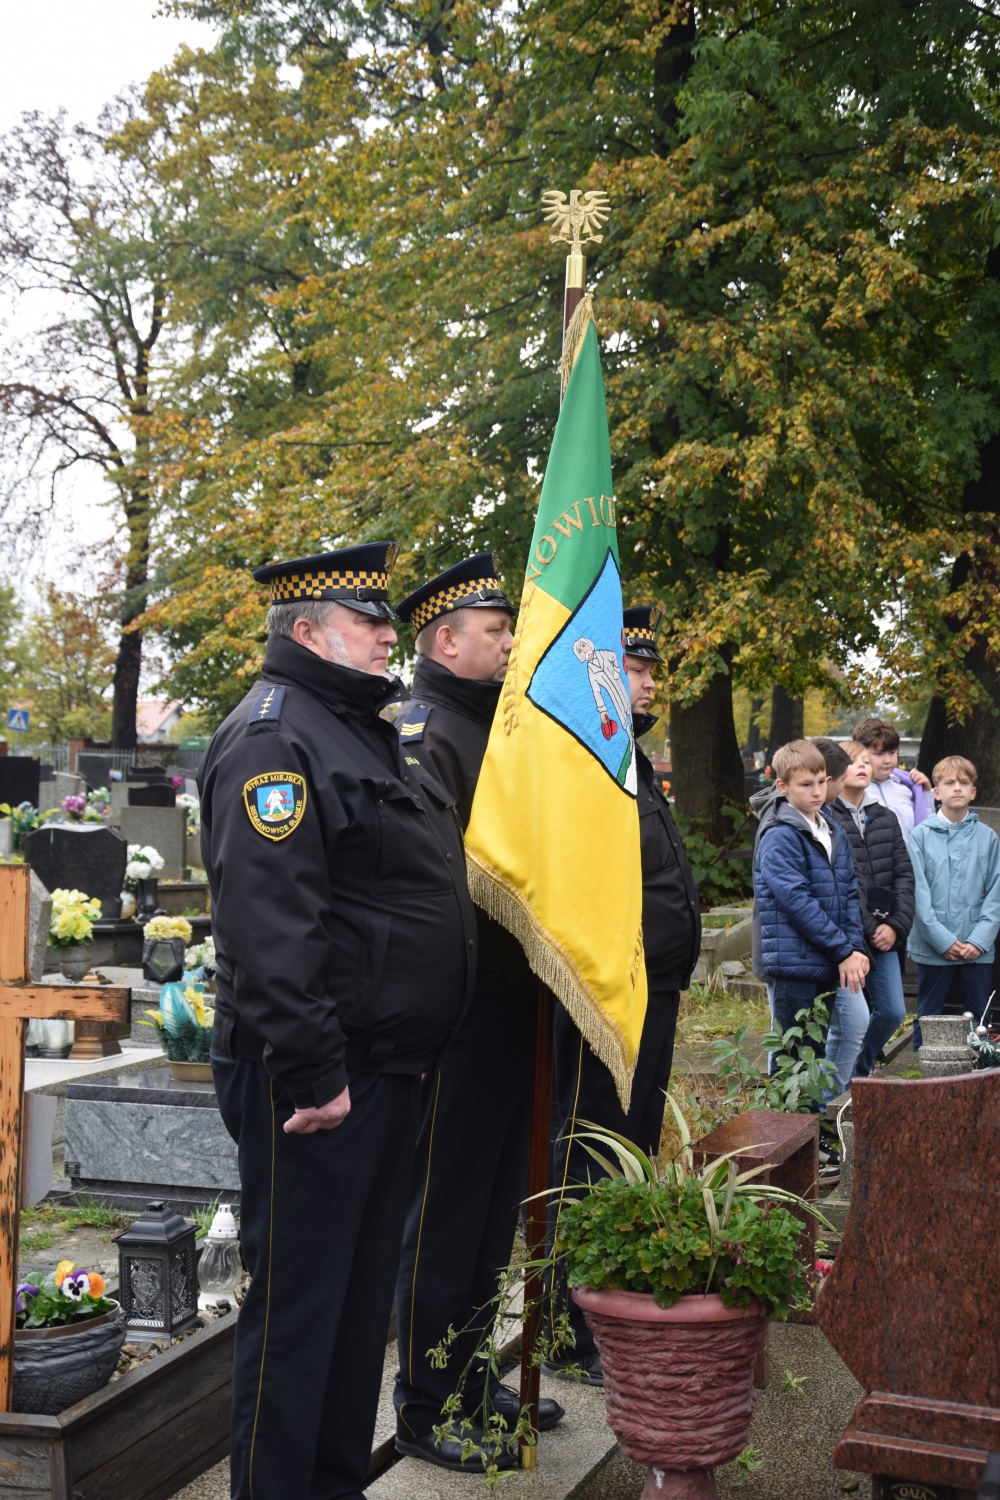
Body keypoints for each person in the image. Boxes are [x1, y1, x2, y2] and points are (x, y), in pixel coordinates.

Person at [198, 543, 477, 1500]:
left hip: (387, 1066)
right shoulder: (276, 738)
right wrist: (318, 1075)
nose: (391, 635)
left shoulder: (360, 726)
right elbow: (272, 930)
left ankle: (330, 1484)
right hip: (316, 1079)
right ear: (308, 631)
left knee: (360, 1312)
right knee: (301, 1314)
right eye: (370, 622)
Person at [389, 555, 565, 1472]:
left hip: (509, 999)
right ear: (446, 641)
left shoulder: (490, 725)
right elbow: (436, 885)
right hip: (462, 1009)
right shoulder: (425, 734)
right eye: (497, 633)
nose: (510, 645)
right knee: (450, 1210)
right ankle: (424, 1400)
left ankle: (467, 1371)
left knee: (497, 1206)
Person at [544, 605, 701, 1386]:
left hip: (654, 992)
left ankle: (603, 1310)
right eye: (632, 670)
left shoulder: (629, 758)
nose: (645, 684)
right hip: (611, 997)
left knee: (629, 1154)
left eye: (645, 672)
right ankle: (569, 1329)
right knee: (591, 1158)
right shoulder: (587, 760)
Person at [754, 740, 868, 1068]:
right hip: (795, 961)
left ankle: (815, 1120)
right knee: (794, 1057)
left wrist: (855, 948)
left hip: (827, 957)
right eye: (805, 785)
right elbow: (797, 902)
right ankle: (787, 1121)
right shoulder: (780, 835)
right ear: (782, 786)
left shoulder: (831, 828)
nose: (816, 792)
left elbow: (848, 893)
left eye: (821, 782)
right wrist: (843, 950)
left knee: (815, 1056)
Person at [825, 740, 915, 1077]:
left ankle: (859, 1072)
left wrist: (894, 924)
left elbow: (904, 874)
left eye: (867, 761)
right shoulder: (828, 816)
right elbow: (840, 883)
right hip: (852, 935)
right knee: (851, 1018)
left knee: (892, 1011)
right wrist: (867, 926)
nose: (862, 766)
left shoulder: (884, 816)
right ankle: (845, 1080)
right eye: (853, 761)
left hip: (886, 931)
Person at [907, 755, 1000, 1048]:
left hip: (977, 949)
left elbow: (995, 894)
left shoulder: (988, 838)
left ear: (973, 791)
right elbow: (918, 895)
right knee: (930, 1017)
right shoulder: (920, 837)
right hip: (934, 948)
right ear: (937, 792)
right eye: (949, 782)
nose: (956, 788)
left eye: (964, 783)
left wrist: (980, 940)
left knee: (979, 1022)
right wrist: (942, 940)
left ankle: (979, 1078)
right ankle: (920, 1074)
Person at [853, 716, 932, 844]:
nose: (887, 760)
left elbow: (927, 824)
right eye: (879, 754)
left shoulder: (907, 787)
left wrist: (926, 793)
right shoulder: (854, 790)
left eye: (892, 752)